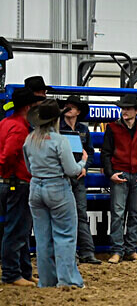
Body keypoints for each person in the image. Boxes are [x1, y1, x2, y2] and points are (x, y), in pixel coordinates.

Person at [23, 99, 88, 287]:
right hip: (57, 187)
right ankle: (68, 280)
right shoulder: (60, 140)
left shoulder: (30, 139)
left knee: (43, 238)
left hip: (36, 187)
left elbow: (28, 168)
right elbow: (71, 170)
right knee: (65, 235)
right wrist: (82, 163)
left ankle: (47, 280)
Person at [0, 87, 44, 287]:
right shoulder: (19, 128)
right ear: (28, 107)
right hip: (17, 182)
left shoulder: (6, 123)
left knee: (20, 230)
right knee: (17, 230)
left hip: (12, 182)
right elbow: (8, 155)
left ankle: (23, 272)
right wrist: (7, 173)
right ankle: (11, 273)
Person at [101, 94, 137, 264]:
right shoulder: (113, 128)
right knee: (118, 213)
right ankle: (119, 250)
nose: (124, 111)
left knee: (134, 213)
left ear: (136, 111)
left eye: (128, 108)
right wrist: (111, 173)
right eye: (123, 108)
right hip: (121, 173)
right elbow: (106, 153)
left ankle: (129, 250)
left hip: (136, 174)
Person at [58, 96, 100, 264]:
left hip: (77, 176)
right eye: (67, 106)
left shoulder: (83, 129)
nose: (69, 109)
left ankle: (86, 251)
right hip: (64, 176)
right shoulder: (58, 128)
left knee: (80, 214)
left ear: (78, 111)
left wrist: (84, 167)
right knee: (67, 215)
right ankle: (76, 252)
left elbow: (90, 151)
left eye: (72, 107)